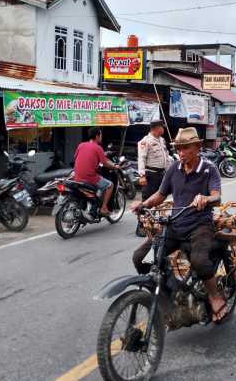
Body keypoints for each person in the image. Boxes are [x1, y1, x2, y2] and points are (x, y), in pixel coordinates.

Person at [131, 127, 227, 322]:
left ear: (197, 147)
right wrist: (144, 204)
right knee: (140, 257)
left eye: (185, 148)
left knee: (199, 261)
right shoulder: (174, 168)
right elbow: (160, 194)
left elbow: (217, 196)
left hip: (200, 226)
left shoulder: (209, 169)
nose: (181, 152)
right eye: (179, 149)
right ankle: (170, 291)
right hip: (175, 226)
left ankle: (215, 295)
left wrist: (205, 199)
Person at [136, 120, 173, 236]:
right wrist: (142, 175)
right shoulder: (145, 141)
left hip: (162, 174)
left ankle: (155, 224)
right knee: (147, 200)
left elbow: (166, 157)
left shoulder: (161, 140)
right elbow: (141, 158)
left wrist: (170, 171)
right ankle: (141, 227)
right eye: (162, 127)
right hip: (150, 175)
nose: (163, 129)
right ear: (156, 128)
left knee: (160, 200)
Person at [73, 127, 119, 217]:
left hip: (77, 176)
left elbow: (76, 157)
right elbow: (105, 163)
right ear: (97, 136)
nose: (101, 136)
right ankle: (104, 208)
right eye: (100, 135)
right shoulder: (98, 148)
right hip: (89, 178)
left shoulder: (81, 145)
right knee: (110, 185)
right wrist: (114, 166)